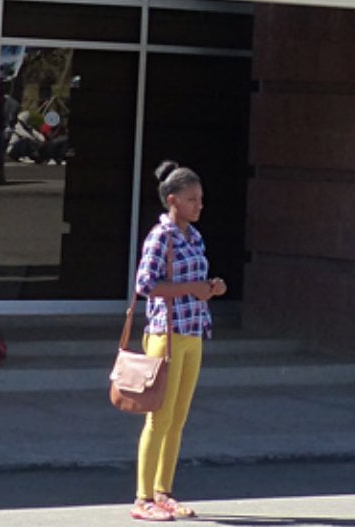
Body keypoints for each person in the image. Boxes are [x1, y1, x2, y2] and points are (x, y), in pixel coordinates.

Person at [130, 161, 227, 522]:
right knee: (158, 418)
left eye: (200, 198)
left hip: (193, 332)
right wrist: (191, 289)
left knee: (178, 419)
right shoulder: (162, 236)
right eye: (192, 199)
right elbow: (145, 284)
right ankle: (142, 499)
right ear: (172, 200)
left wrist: (212, 288)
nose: (199, 205)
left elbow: (195, 281)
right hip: (165, 336)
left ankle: (163, 492)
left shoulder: (193, 236)